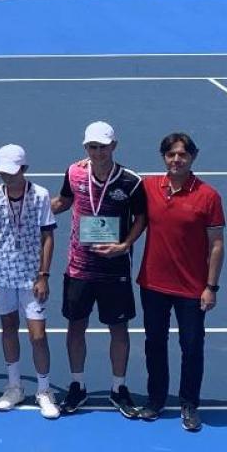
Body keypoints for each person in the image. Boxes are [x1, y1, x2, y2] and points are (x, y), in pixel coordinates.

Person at [54, 121, 147, 418]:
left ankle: (119, 388)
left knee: (118, 330)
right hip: (79, 268)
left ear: (114, 146)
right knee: (75, 327)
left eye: (103, 147)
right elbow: (63, 202)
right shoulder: (73, 172)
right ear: (85, 148)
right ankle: (77, 385)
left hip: (115, 269)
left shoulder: (131, 182)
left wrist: (124, 245)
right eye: (92, 147)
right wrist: (26, 201)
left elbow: (142, 219)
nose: (97, 152)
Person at [136, 132, 225, 432]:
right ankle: (156, 400)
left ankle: (189, 404)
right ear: (164, 157)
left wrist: (211, 287)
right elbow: (117, 189)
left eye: (182, 155)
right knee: (154, 344)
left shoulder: (208, 196)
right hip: (153, 284)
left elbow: (216, 244)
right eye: (171, 154)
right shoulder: (149, 186)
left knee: (192, 347)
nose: (176, 159)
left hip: (191, 289)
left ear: (192, 158)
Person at [0, 144, 60, 419]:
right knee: (8, 329)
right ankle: (14, 386)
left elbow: (48, 237)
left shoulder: (40, 196)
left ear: (24, 169)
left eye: (11, 172)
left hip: (31, 276)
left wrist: (44, 275)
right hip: (2, 273)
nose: (6, 177)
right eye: (2, 172)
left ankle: (44, 390)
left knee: (38, 336)